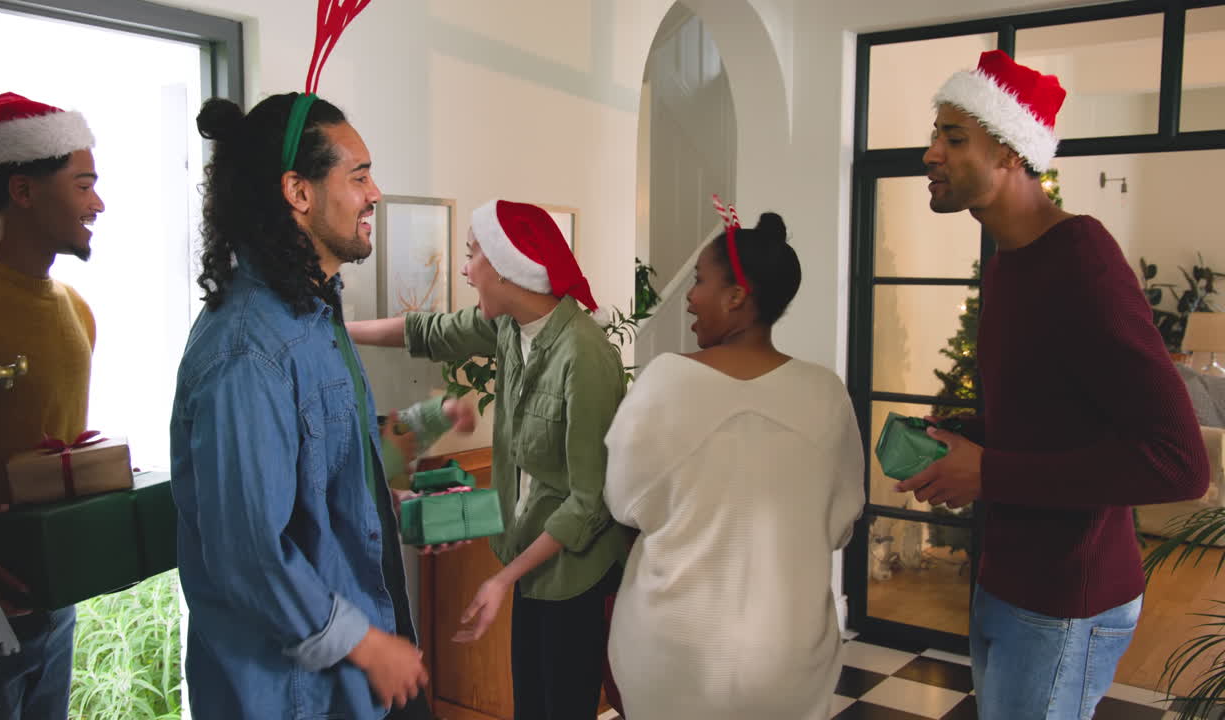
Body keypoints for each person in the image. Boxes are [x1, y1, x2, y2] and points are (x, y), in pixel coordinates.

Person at [900, 50, 1210, 719]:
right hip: (1011, 581)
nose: (931, 155)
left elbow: (1179, 464)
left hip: (1068, 599)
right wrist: (962, 446)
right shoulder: (1009, 264)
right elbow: (1054, 419)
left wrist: (990, 473)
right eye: (936, 136)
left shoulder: (1083, 262)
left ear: (1011, 152)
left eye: (954, 139)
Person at [170, 92, 466, 719]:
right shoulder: (249, 352)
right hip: (295, 693)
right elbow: (247, 551)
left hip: (363, 668)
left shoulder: (315, 319)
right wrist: (363, 645)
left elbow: (323, 471)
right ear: (298, 193)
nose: (375, 193)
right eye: (358, 176)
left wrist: (391, 510)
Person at [347, 200, 629, 720]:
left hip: (572, 573)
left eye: (472, 254)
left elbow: (588, 502)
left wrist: (501, 579)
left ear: (506, 269)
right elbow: (425, 332)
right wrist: (338, 335)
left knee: (560, 706)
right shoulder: (508, 329)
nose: (463, 268)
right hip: (529, 565)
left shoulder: (584, 357)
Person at [602, 209, 864, 720]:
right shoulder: (825, 393)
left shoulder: (664, 382)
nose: (689, 296)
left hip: (674, 649)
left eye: (700, 281)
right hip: (787, 653)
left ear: (737, 296)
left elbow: (625, 502)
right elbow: (839, 524)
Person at [0, 91, 104, 720]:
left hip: (56, 602)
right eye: (83, 185)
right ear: (22, 191)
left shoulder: (78, 311)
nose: (98, 204)